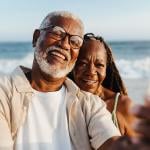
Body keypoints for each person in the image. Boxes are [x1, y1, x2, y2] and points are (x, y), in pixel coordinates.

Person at [0, 11, 121, 150]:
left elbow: (113, 142)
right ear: (36, 38)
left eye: (74, 42)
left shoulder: (89, 105)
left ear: (76, 56)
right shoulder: (4, 94)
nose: (64, 45)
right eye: (57, 33)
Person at [69, 33, 136, 136]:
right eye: (83, 63)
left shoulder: (122, 106)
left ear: (106, 69)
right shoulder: (63, 101)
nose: (91, 71)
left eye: (99, 65)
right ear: (73, 65)